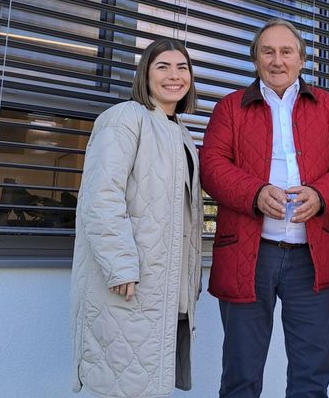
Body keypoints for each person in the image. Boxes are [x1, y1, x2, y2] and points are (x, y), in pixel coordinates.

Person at [200, 18, 329, 398]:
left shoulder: (327, 106)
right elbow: (212, 166)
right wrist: (255, 193)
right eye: (268, 52)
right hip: (248, 255)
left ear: (301, 60)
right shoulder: (229, 108)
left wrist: (320, 195)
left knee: (312, 374)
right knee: (241, 374)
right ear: (255, 59)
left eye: (286, 52)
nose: (277, 60)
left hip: (311, 257)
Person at [70, 38, 203, 398]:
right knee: (121, 384)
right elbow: (101, 197)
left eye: (182, 67)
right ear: (145, 74)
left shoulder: (181, 133)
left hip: (165, 288)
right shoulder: (125, 118)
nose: (174, 76)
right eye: (163, 67)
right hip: (131, 282)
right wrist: (120, 266)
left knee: (149, 383)